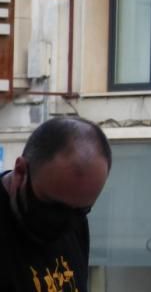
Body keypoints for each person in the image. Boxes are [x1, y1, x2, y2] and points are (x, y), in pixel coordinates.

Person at [0, 116, 112, 292]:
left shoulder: (74, 218)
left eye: (82, 210)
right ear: (21, 172)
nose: (65, 221)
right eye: (53, 206)